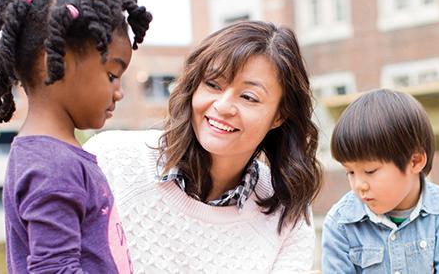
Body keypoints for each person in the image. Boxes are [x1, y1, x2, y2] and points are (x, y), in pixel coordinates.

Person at [84, 20, 322, 273]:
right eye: (213, 84)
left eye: (249, 97)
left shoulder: (289, 213)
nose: (222, 106)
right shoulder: (110, 159)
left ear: (279, 116)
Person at [0, 0, 152, 272]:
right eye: (111, 75)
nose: (119, 92)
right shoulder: (53, 166)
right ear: (54, 62)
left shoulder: (50, 155)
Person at [321, 89, 439, 273]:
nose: (359, 185)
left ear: (415, 161)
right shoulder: (340, 223)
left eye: (370, 171)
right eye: (350, 172)